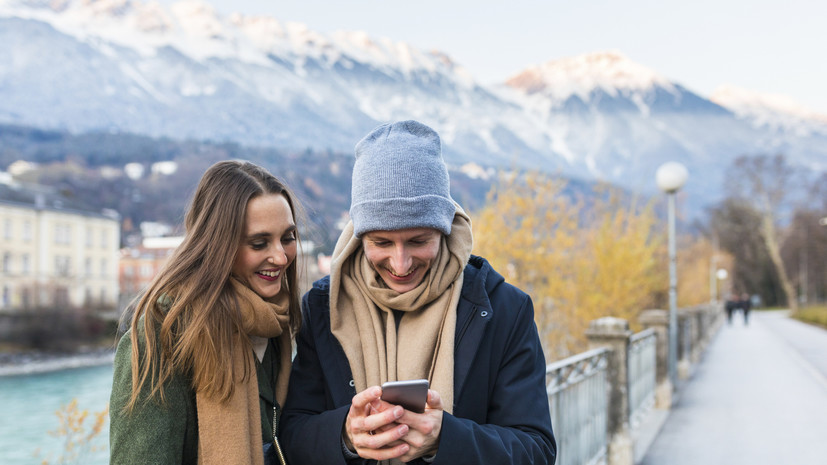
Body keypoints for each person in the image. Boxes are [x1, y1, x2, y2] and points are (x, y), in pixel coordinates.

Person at [281, 120, 556, 464]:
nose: (400, 263)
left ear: (444, 229)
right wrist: (344, 435)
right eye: (381, 242)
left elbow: (537, 450)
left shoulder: (505, 309)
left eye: (418, 241)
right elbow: (290, 435)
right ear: (358, 236)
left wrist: (446, 439)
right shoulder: (324, 308)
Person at [110, 160, 303, 465]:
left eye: (288, 238)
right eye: (259, 243)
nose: (280, 256)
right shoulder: (163, 334)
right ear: (217, 244)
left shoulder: (274, 322)